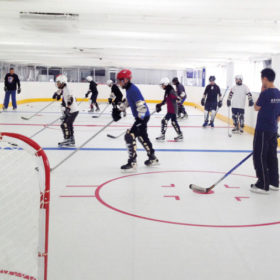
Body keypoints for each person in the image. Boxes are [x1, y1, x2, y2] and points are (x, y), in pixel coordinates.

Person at [112, 69, 159, 171]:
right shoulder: (129, 89)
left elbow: (142, 107)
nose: (118, 83)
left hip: (142, 117)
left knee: (129, 136)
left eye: (120, 80)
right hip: (142, 117)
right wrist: (120, 110)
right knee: (142, 137)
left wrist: (139, 120)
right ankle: (153, 158)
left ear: (126, 80)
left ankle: (132, 162)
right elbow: (128, 101)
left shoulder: (133, 90)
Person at [250, 68, 280, 194]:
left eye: (261, 78)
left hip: (262, 130)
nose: (261, 81)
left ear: (265, 79)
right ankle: (274, 182)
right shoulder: (278, 92)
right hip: (273, 129)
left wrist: (262, 91)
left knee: (259, 155)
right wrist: (274, 126)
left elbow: (256, 107)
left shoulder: (266, 93)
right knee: (271, 155)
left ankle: (263, 184)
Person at [52, 75, 79, 147]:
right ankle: (71, 139)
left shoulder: (68, 89)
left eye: (58, 83)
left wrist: (68, 108)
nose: (57, 84)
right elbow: (59, 92)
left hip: (73, 110)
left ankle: (68, 139)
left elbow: (70, 99)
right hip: (71, 110)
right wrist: (56, 94)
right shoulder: (64, 87)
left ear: (62, 82)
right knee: (67, 124)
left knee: (65, 124)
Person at [155, 77, 183, 142]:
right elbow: (165, 100)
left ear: (166, 84)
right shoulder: (167, 91)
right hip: (171, 109)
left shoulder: (171, 90)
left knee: (164, 121)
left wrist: (178, 98)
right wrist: (159, 105)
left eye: (162, 84)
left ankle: (162, 135)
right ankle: (180, 135)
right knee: (174, 122)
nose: (161, 86)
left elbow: (176, 97)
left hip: (172, 109)